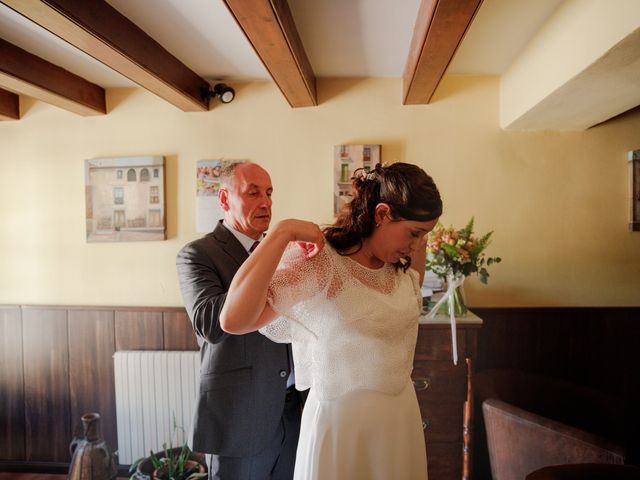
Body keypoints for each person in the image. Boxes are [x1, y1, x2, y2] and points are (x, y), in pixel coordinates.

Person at [220, 162, 443, 480]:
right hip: (342, 425)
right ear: (381, 214)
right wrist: (280, 234)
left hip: (399, 417)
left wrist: (413, 242)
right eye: (414, 233)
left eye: (425, 235)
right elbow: (234, 320)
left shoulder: (402, 263)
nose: (418, 245)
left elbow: (410, 293)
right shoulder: (322, 262)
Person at [176, 161, 303, 480]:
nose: (266, 202)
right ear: (223, 199)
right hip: (240, 415)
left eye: (270, 193)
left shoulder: (285, 253)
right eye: (254, 192)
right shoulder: (197, 254)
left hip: (294, 409)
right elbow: (210, 323)